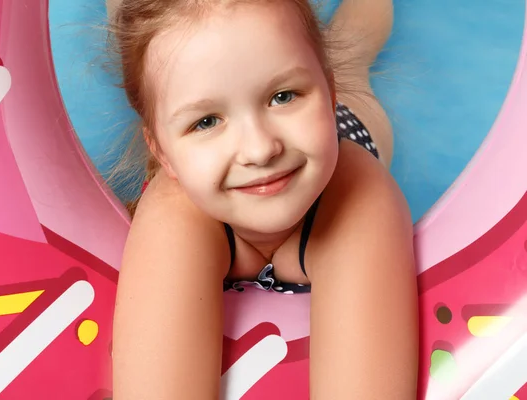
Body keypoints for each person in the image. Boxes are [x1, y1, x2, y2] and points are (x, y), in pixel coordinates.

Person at [109, 0, 419, 398]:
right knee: (135, 25)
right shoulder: (175, 211)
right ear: (162, 154)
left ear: (327, 94)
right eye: (206, 121)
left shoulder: (359, 201)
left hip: (344, 132)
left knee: (351, 49)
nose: (259, 150)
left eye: (284, 96)